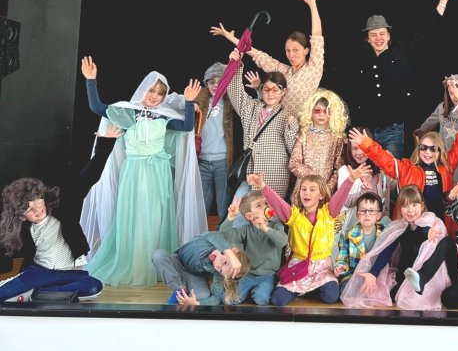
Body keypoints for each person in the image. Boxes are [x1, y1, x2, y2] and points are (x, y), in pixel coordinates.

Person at [80, 57, 205, 287]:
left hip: (158, 172)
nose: (155, 96)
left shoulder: (164, 116)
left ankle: (157, 264)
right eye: (152, 91)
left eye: (160, 93)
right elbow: (97, 107)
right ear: (143, 90)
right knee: (135, 216)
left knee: (156, 217)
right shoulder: (129, 113)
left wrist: (188, 102)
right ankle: (135, 263)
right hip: (135, 171)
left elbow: (186, 126)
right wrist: (91, 81)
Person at [0, 124, 121, 302]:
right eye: (30, 210)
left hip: (70, 274)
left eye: (38, 202)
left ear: (42, 197)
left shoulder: (65, 209)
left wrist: (105, 145)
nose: (38, 210)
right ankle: (37, 291)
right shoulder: (22, 229)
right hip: (39, 273)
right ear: (21, 216)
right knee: (3, 293)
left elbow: (87, 179)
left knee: (93, 287)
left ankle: (36, 293)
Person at [348, 0, 454, 158]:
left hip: (394, 131)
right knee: (368, 172)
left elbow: (427, 31)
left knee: (392, 173)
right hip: (368, 131)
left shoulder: (402, 53)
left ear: (389, 36)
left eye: (382, 33)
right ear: (368, 39)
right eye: (374, 35)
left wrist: (442, 1)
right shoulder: (361, 60)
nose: (378, 38)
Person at [349, 103, 458, 223]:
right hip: (412, 226)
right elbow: (384, 158)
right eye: (423, 147)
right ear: (418, 149)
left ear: (440, 151)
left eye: (433, 148)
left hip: (439, 224)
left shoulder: (447, 166)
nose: (428, 152)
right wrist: (366, 143)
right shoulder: (407, 169)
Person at [210, 0, 325, 116]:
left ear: (306, 50)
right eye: (287, 50)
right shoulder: (283, 71)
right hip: (279, 123)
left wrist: (312, 5)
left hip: (303, 125)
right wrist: (232, 38)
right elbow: (257, 55)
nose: (291, 55)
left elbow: (317, 34)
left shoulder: (313, 68)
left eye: (296, 50)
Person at [340, 185, 451, 310]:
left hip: (423, 275)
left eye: (414, 205)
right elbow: (386, 250)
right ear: (400, 208)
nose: (410, 210)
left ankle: (420, 283)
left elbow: (427, 230)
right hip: (406, 273)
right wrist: (373, 273)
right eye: (405, 206)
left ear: (422, 206)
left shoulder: (428, 223)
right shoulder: (401, 227)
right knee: (391, 294)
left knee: (416, 298)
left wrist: (429, 233)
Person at [248, 172, 351, 305]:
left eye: (312, 189)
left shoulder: (328, 212)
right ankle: (302, 289)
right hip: (298, 266)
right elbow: (277, 203)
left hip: (322, 269)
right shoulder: (294, 215)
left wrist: (350, 179)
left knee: (330, 296)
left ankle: (310, 289)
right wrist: (262, 186)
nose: (307, 192)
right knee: (278, 300)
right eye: (304, 189)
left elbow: (340, 196)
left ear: (321, 195)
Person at [226, 49, 299, 205]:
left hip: (274, 173)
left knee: (270, 213)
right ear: (261, 89)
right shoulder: (251, 107)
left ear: (284, 92)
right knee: (239, 211)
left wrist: (291, 126)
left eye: (275, 90)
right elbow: (235, 92)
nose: (270, 94)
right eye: (266, 89)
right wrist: (235, 65)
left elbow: (293, 148)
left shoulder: (287, 115)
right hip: (250, 171)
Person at [218, 190, 286, 305]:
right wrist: (230, 218)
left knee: (261, 299)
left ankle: (255, 292)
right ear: (249, 216)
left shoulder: (276, 225)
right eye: (259, 205)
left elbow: (282, 241)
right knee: (228, 300)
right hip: (248, 274)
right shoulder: (245, 230)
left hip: (268, 275)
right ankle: (248, 292)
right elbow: (225, 236)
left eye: (266, 203)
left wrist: (265, 228)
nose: (265, 206)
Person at [151, 231, 249, 306]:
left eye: (220, 271)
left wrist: (196, 303)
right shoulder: (211, 240)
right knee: (158, 255)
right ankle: (179, 290)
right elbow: (214, 236)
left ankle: (184, 292)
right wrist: (232, 257)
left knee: (203, 296)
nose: (219, 266)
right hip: (177, 262)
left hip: (194, 276)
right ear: (232, 252)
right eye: (225, 263)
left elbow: (216, 299)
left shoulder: (216, 271)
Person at [417, 74, 458, 189]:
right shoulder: (442, 108)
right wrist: (419, 132)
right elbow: (429, 123)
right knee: (441, 184)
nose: (455, 96)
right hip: (442, 158)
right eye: (451, 93)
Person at [333, 126, 395, 238]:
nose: (359, 152)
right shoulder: (345, 171)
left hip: (379, 231)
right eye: (354, 148)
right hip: (353, 233)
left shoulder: (380, 171)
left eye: (362, 147)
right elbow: (346, 203)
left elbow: (394, 185)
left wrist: (390, 164)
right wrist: (362, 192)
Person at [194, 62, 235, 222]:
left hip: (222, 162)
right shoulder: (200, 103)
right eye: (212, 82)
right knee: (202, 202)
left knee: (224, 203)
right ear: (206, 83)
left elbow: (251, 106)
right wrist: (191, 105)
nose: (216, 85)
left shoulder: (230, 104)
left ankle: (223, 234)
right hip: (203, 161)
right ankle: (201, 234)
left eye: (220, 82)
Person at [288, 88, 348, 193]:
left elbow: (339, 168)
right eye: (317, 110)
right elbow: (294, 163)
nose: (322, 114)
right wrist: (311, 174)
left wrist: (328, 187)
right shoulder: (303, 135)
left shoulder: (337, 138)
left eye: (327, 111)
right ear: (310, 112)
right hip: (304, 189)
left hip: (325, 191)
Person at [334, 192, 386, 290]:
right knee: (347, 288)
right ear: (357, 215)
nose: (367, 214)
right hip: (354, 274)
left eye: (371, 211)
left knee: (377, 290)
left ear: (378, 215)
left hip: (377, 274)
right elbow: (342, 258)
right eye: (363, 211)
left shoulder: (385, 233)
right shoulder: (347, 234)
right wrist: (341, 266)